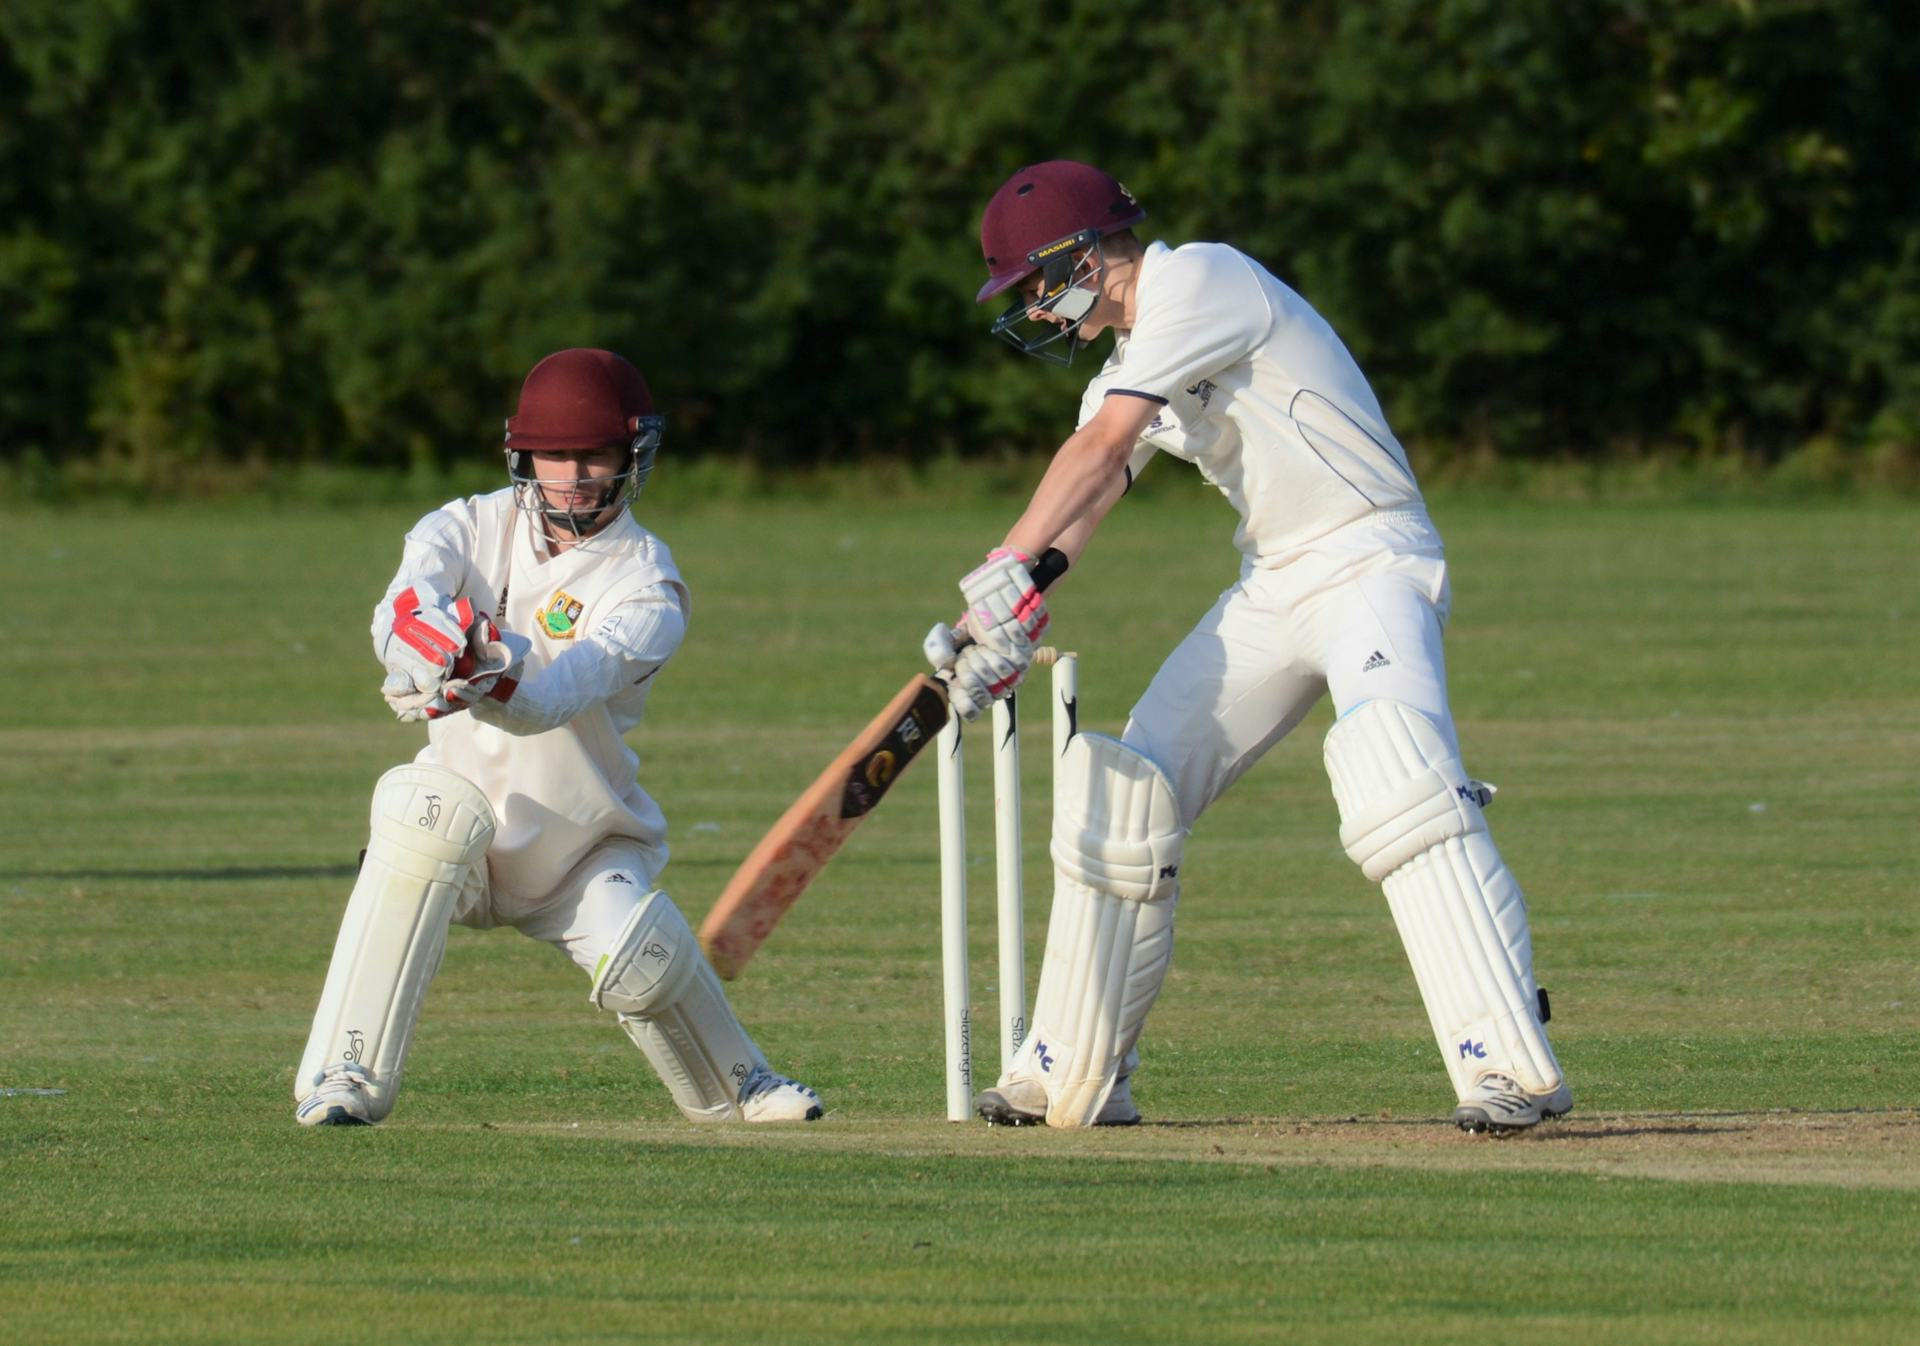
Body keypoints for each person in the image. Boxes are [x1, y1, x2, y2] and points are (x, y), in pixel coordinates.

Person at [929, 161, 1572, 1134]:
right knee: (1128, 788)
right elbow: (1094, 494)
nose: (1032, 309)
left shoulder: (1201, 278)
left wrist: (1003, 565)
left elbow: (1100, 452)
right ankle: (1071, 1072)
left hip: (1370, 555)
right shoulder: (1130, 361)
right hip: (1275, 581)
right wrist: (1011, 612)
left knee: (1395, 775)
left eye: (1033, 285)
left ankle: (1510, 1065)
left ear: (1085, 258)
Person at [294, 348, 822, 1127]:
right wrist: (430, 648)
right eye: (555, 453)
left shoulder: (648, 584)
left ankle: (743, 1084)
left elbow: (555, 695)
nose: (572, 475)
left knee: (641, 957)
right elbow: (399, 611)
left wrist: (481, 673)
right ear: (523, 455)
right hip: (467, 830)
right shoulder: (467, 525)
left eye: (594, 454)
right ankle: (346, 1075)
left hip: (580, 840)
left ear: (632, 455)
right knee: (416, 821)